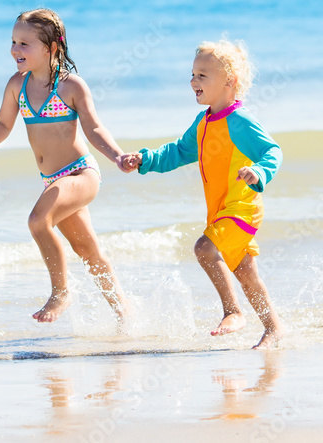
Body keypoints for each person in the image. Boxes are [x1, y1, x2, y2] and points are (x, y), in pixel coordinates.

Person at [121, 39, 284, 349]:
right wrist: (145, 159)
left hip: (242, 207)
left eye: (203, 75)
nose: (193, 81)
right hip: (222, 209)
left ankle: (233, 311)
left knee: (204, 249)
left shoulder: (240, 121)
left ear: (229, 82)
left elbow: (272, 151)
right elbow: (180, 152)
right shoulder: (204, 121)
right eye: (193, 74)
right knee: (246, 273)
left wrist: (260, 172)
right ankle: (274, 328)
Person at [0, 8, 129, 326]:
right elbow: (4, 122)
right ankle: (125, 315)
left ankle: (61, 292)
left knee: (38, 220)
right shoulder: (16, 86)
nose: (15, 49)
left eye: (24, 43)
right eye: (13, 41)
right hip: (52, 179)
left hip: (80, 173)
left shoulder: (70, 86)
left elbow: (94, 128)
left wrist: (116, 155)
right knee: (86, 249)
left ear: (51, 48)